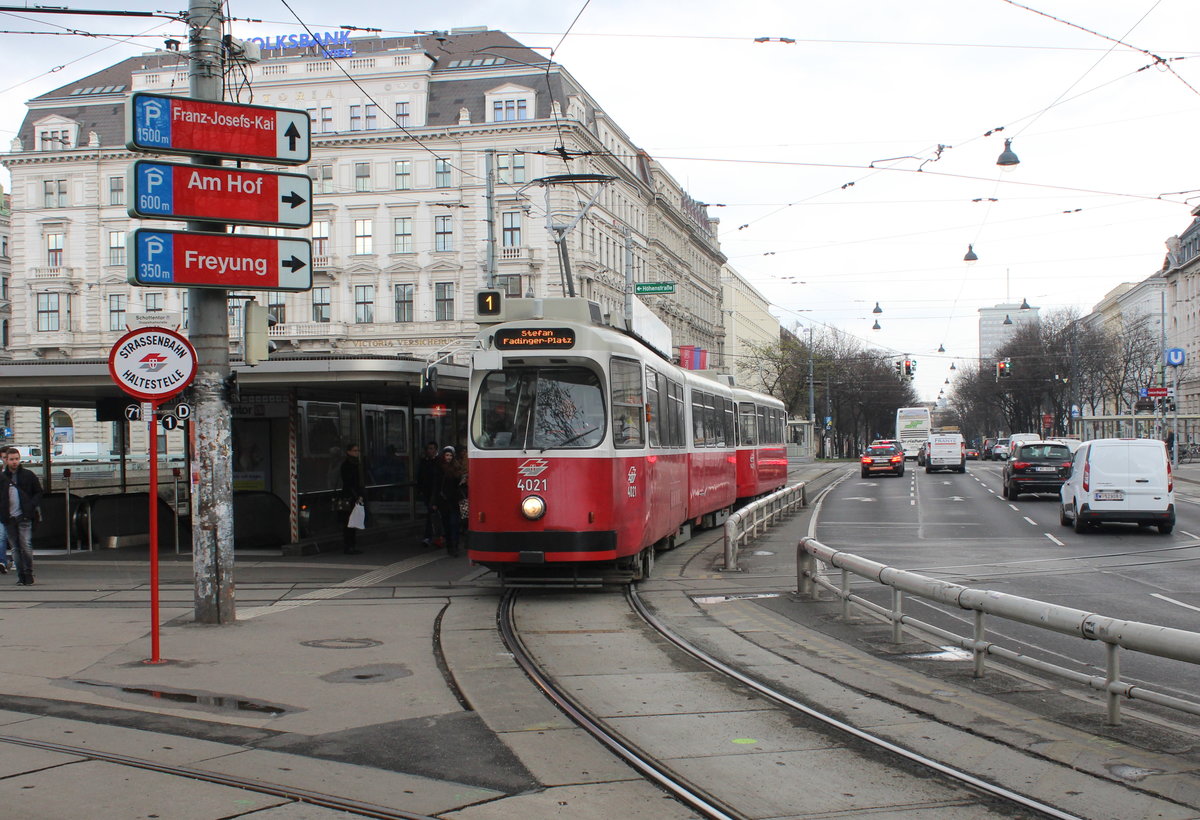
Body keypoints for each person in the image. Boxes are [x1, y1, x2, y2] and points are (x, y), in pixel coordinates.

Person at [0, 445, 43, 586]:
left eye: (17, 459)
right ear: (6, 460)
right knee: (15, 548)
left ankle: (28, 573)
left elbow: (38, 491)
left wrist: (31, 506)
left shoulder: (28, 475)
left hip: (24, 515)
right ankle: (21, 575)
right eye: (11, 459)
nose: (14, 462)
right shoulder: (2, 478)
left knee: (25, 545)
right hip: (9, 518)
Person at [431, 445, 465, 556]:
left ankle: (454, 545)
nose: (448, 457)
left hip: (454, 500)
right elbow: (436, 486)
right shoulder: (439, 469)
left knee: (454, 523)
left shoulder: (456, 468)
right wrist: (434, 502)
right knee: (446, 524)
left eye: (450, 455)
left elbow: (458, 485)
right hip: (443, 500)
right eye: (447, 455)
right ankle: (450, 545)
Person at [338, 443, 365, 555]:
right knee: (348, 521)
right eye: (354, 450)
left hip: (353, 495)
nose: (357, 452)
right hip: (349, 496)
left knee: (353, 521)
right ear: (348, 452)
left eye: (358, 450)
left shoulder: (355, 464)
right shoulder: (347, 465)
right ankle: (348, 546)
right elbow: (350, 482)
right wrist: (357, 495)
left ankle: (351, 545)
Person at [416, 441, 440, 546]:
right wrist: (420, 489)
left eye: (432, 448)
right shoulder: (424, 462)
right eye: (428, 448)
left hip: (437, 492)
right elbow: (420, 477)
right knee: (431, 514)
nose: (430, 451)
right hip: (427, 491)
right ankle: (431, 536)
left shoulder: (439, 462)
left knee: (434, 514)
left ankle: (432, 536)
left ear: (436, 450)